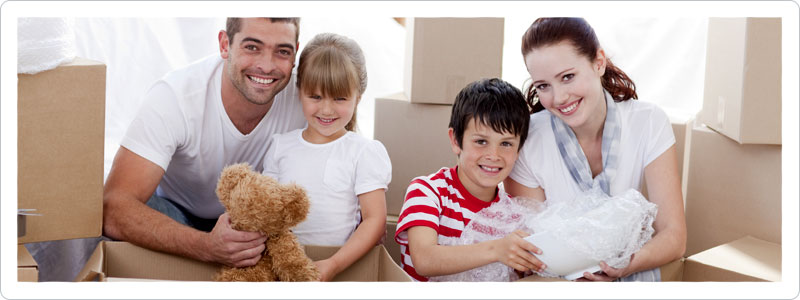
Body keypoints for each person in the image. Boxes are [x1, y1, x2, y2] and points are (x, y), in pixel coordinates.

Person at [102, 18, 307, 268]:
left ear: (295, 53)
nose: (266, 66)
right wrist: (206, 246)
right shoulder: (175, 97)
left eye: (282, 52)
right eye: (252, 47)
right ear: (224, 45)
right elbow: (113, 207)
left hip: (255, 224)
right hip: (176, 214)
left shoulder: (308, 98)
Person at [505, 18, 687, 281]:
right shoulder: (528, 139)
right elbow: (532, 252)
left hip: (629, 269)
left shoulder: (648, 122)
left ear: (598, 62)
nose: (558, 98)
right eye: (543, 86)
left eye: (567, 77)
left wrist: (626, 265)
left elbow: (674, 236)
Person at [261, 32, 390, 281]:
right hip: (282, 266)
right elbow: (267, 210)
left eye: (340, 98)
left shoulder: (363, 152)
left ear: (358, 98)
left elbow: (375, 220)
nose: (327, 109)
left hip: (341, 266)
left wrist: (333, 264)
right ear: (300, 92)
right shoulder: (281, 146)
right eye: (316, 97)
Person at [393, 78, 542, 282]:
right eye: (481, 141)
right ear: (456, 140)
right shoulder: (428, 191)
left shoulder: (513, 216)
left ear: (518, 150)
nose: (493, 155)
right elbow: (424, 260)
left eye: (506, 144)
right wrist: (497, 249)